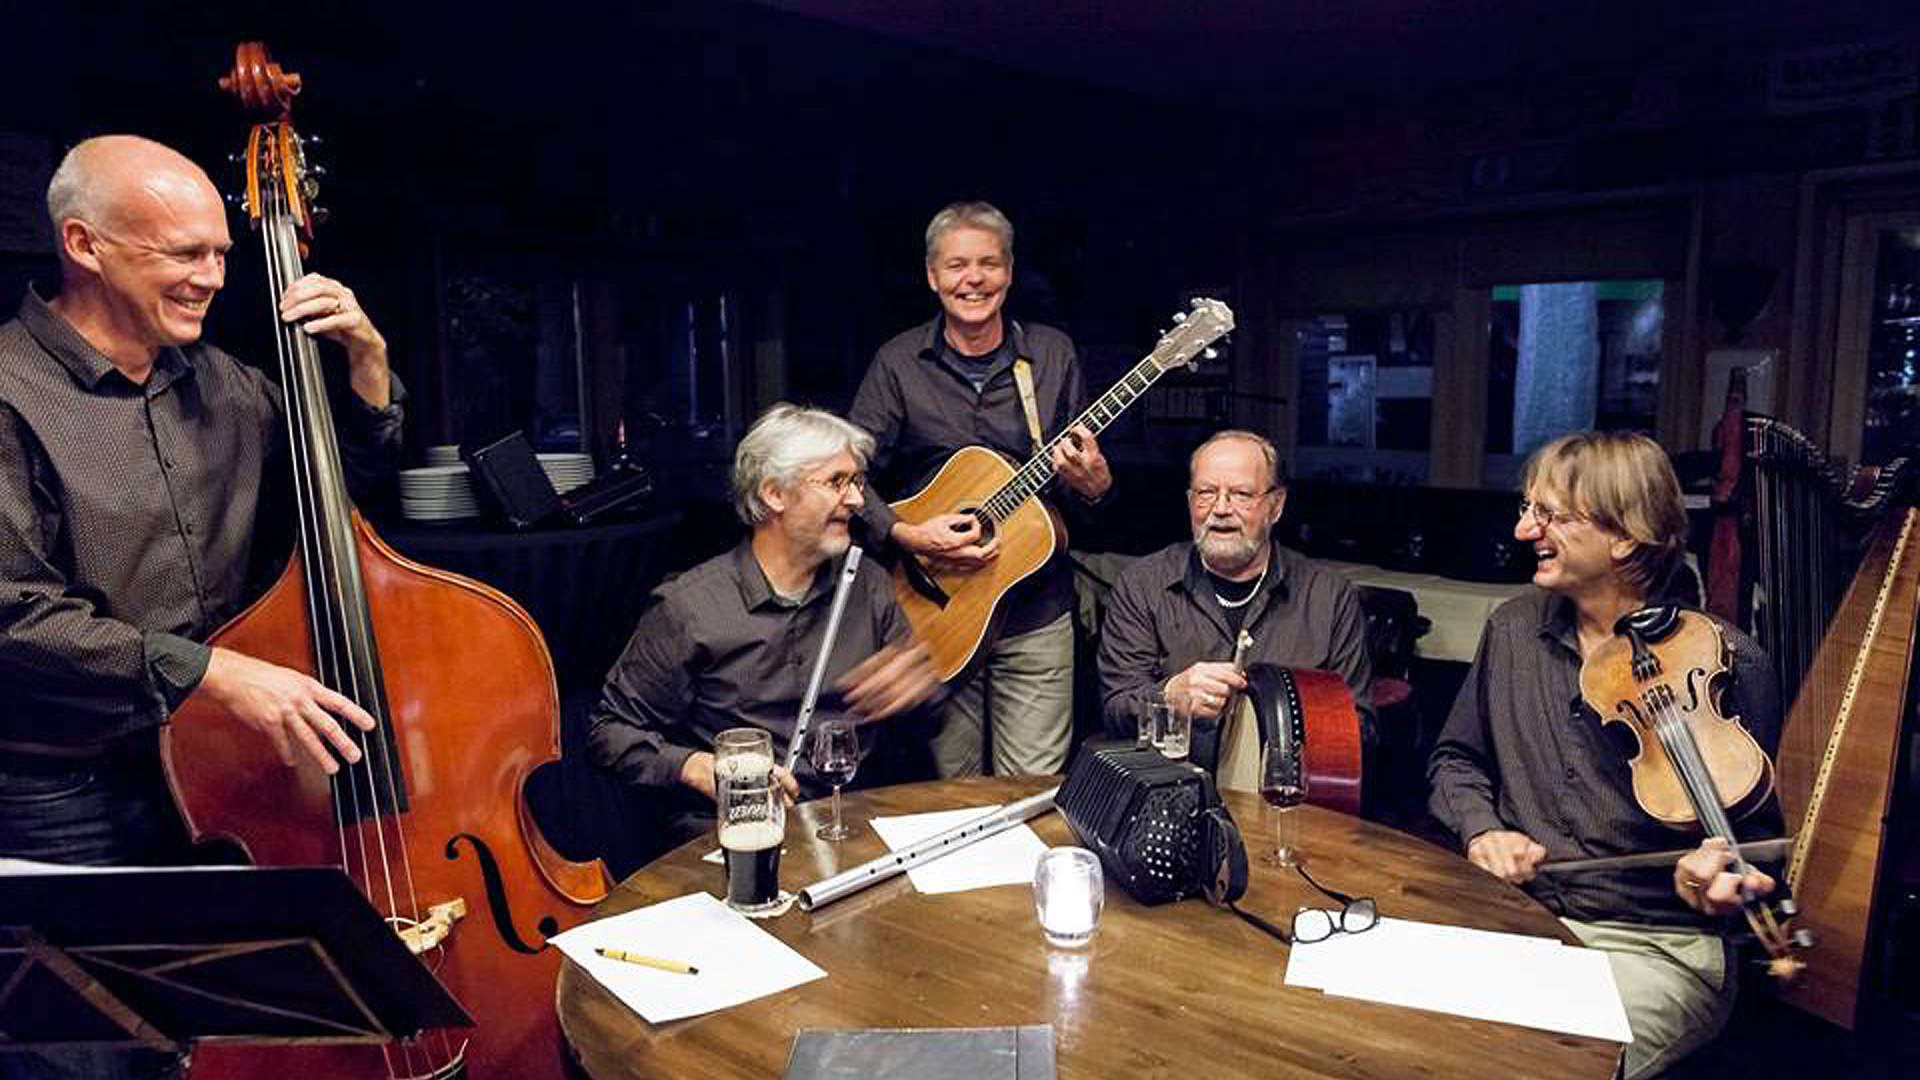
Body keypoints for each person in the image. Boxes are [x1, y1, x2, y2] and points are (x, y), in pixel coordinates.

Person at [0, 135, 401, 1077]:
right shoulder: (9, 394)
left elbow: (341, 502)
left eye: (221, 251)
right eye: (184, 254)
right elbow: (10, 613)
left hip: (219, 773)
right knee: (89, 1052)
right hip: (64, 788)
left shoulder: (225, 384)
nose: (216, 277)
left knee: (238, 1034)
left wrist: (367, 363)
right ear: (84, 245)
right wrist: (214, 669)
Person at [1427, 431, 1781, 1080]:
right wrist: (1484, 831)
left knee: (1532, 1065)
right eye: (1527, 508)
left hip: (1656, 946)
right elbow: (1455, 759)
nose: (1523, 527)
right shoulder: (1512, 629)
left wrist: (1717, 876)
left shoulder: (1726, 663)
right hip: (1518, 920)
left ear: (1623, 537)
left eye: (1550, 515)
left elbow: (1760, 846)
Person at [587, 404, 936, 844]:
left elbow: (921, 728)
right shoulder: (690, 607)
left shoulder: (867, 584)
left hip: (850, 827)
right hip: (733, 838)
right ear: (774, 495)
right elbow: (609, 734)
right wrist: (696, 767)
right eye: (836, 482)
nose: (857, 500)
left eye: (857, 482)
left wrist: (918, 693)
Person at [850, 200, 1109, 778]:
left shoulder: (1051, 354)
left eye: (989, 264)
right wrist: (907, 532)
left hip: (1035, 609)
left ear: (1010, 272)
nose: (973, 279)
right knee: (950, 796)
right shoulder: (897, 363)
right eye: (957, 265)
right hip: (934, 608)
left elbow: (1078, 483)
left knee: (1030, 794)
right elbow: (848, 475)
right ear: (932, 276)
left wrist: (1093, 485)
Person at [1097, 430, 1374, 777]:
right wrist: (1171, 697)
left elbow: (1360, 728)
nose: (1221, 509)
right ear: (1188, 501)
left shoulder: (1329, 597)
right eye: (1206, 493)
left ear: (1276, 505)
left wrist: (1287, 729)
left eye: (1241, 494)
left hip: (1285, 806)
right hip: (1170, 796)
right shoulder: (1142, 586)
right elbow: (1114, 710)